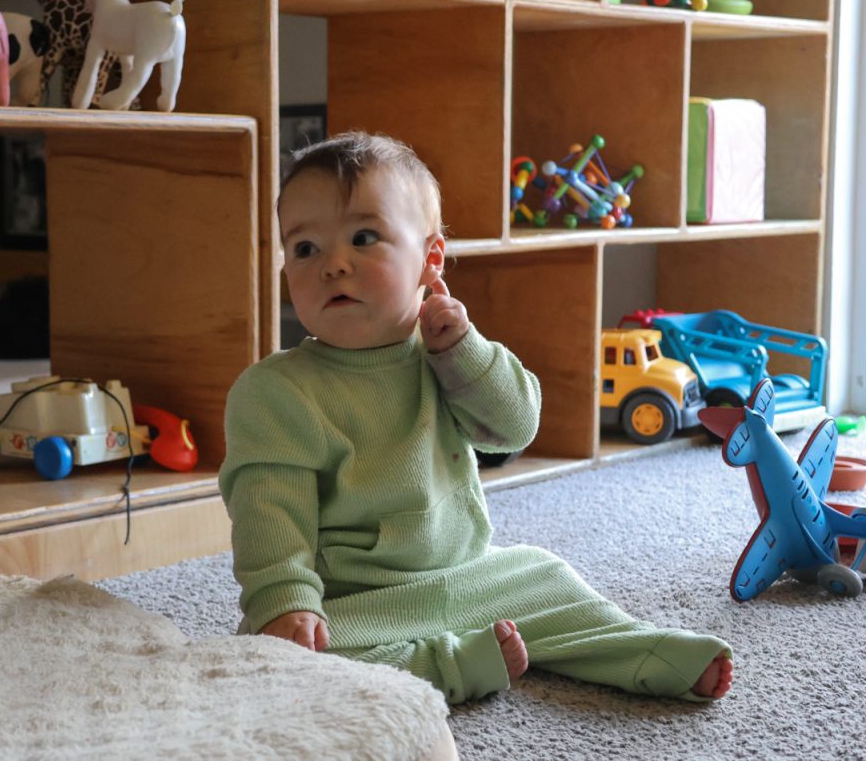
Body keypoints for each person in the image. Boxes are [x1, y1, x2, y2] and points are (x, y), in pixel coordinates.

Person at [217, 132, 733, 705]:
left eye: (364, 238)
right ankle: (450, 664)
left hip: (470, 574)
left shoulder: (448, 354)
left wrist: (463, 351)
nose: (333, 266)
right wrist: (286, 602)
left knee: (547, 575)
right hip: (355, 600)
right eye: (305, 249)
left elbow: (515, 427)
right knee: (288, 662)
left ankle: (642, 649)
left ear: (430, 260)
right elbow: (269, 511)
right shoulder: (274, 392)